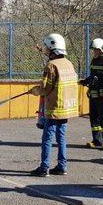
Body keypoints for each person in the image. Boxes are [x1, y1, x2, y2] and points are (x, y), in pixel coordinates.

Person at [29, 33, 79, 177]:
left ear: (52, 47)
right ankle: (62, 166)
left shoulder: (51, 66)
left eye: (46, 47)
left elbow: (45, 88)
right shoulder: (68, 63)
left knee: (47, 139)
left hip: (54, 109)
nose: (45, 50)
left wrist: (34, 91)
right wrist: (41, 50)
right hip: (66, 108)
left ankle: (44, 168)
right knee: (61, 138)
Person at [80, 38, 103, 151]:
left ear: (101, 49)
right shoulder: (94, 60)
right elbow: (93, 76)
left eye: (96, 50)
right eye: (93, 50)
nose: (94, 52)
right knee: (94, 119)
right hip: (93, 95)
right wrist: (85, 81)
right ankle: (97, 141)